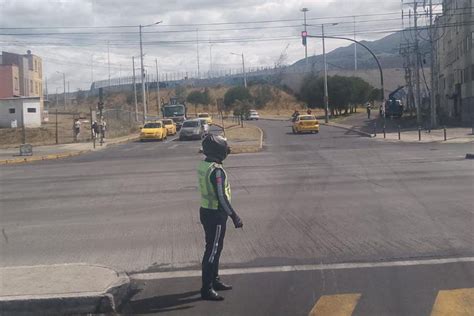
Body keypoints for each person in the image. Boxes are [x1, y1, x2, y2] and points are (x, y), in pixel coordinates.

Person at [197, 134, 243, 301]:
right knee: (212, 251)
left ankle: (214, 281)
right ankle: (206, 288)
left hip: (206, 211)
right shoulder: (217, 170)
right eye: (225, 148)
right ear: (219, 151)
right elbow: (221, 197)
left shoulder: (204, 165)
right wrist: (234, 216)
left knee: (215, 249)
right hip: (216, 214)